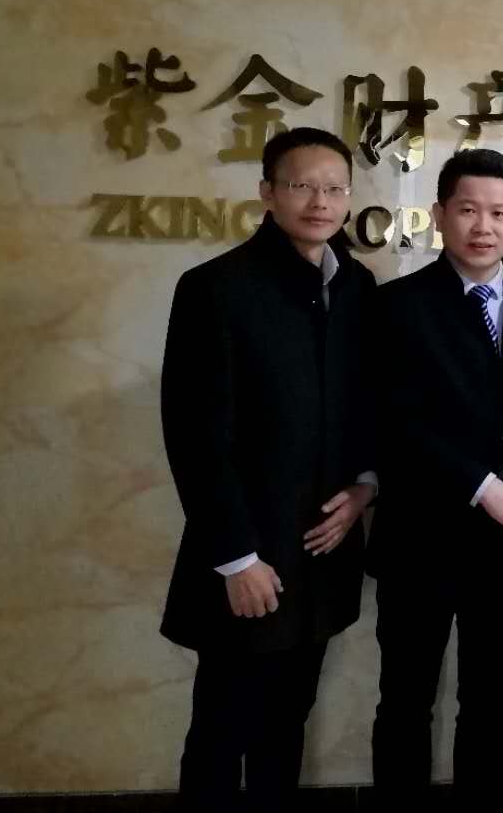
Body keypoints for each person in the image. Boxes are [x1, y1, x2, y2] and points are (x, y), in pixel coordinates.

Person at [160, 127, 378, 811]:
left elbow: (368, 408)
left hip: (321, 554)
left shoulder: (357, 286)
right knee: (223, 728)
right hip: (248, 558)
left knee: (287, 723)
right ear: (267, 193)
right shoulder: (216, 288)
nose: (320, 202)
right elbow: (195, 435)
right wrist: (235, 558)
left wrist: (366, 487)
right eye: (302, 186)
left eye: (335, 188)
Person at [368, 148, 503, 806]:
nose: (484, 226)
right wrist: (487, 489)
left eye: (499, 213)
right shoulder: (396, 305)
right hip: (419, 540)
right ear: (439, 214)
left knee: (490, 698)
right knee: (406, 699)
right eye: (469, 210)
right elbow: (393, 422)